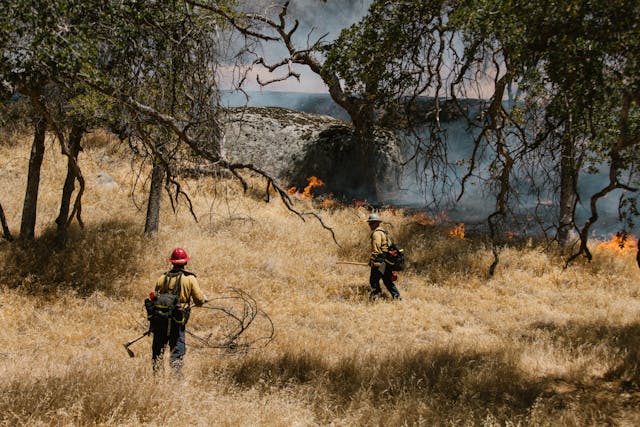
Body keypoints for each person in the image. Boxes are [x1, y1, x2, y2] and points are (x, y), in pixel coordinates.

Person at [148, 247, 207, 373]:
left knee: (158, 351)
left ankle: (157, 379)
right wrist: (203, 299)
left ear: (172, 262)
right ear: (185, 262)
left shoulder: (162, 278)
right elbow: (199, 300)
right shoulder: (190, 279)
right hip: (177, 321)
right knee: (176, 351)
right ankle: (176, 379)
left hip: (160, 320)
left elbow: (156, 298)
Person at [367, 213, 401, 300]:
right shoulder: (384, 232)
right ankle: (397, 297)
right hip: (385, 261)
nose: (370, 225)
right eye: (369, 223)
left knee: (374, 280)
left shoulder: (376, 234)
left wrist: (372, 260)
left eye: (371, 223)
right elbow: (389, 246)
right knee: (387, 280)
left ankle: (376, 297)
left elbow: (376, 248)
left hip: (379, 261)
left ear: (376, 223)